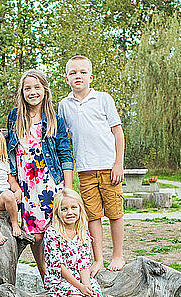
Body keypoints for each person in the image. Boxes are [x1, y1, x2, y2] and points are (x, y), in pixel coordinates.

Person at [58, 55, 126, 274]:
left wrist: (119, 163)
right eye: (73, 73)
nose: (78, 76)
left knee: (115, 212)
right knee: (92, 216)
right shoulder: (64, 105)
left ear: (91, 76)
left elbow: (118, 133)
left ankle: (118, 255)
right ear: (67, 78)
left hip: (108, 166)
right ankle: (98, 259)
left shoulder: (103, 99)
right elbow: (63, 137)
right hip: (85, 170)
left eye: (82, 72)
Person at [7, 69, 73, 278]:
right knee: (35, 236)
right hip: (27, 184)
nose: (32, 92)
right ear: (22, 92)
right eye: (28, 88)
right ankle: (45, 275)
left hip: (51, 182)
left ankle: (65, 275)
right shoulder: (14, 116)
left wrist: (68, 190)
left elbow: (64, 153)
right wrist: (14, 183)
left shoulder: (55, 119)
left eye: (37, 87)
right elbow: (8, 152)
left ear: (45, 90)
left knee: (56, 232)